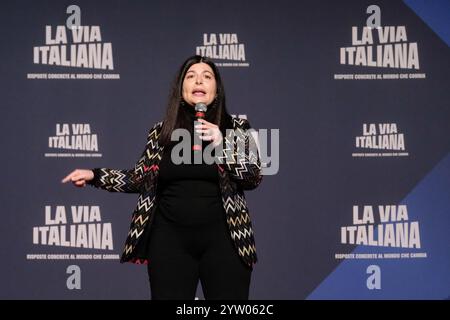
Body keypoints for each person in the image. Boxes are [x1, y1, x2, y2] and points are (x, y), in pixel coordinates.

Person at [62, 55, 262, 300]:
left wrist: (223, 144)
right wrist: (95, 175)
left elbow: (253, 176)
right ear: (181, 89)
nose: (199, 80)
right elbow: (138, 179)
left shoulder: (237, 126)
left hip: (225, 242)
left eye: (207, 76)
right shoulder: (161, 131)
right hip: (170, 242)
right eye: (191, 76)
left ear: (217, 90)